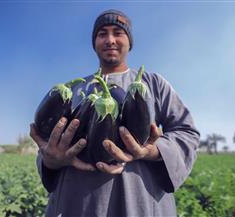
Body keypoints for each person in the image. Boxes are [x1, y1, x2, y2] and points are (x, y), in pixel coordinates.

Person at [30, 9, 200, 217]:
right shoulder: (73, 90)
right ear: (94, 43)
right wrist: (50, 160)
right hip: (76, 204)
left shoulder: (154, 84)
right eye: (102, 33)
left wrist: (153, 151)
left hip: (140, 205)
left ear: (129, 42)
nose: (110, 40)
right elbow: (48, 144)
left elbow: (187, 132)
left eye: (118, 33)